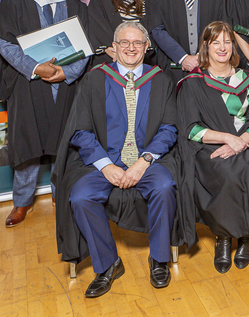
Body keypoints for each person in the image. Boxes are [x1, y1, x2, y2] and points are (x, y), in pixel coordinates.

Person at [52, 21, 180, 297]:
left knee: (164, 187)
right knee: (80, 196)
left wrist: (144, 161)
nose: (131, 48)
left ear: (147, 48)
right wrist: (106, 165)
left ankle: (159, 259)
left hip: (148, 160)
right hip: (104, 160)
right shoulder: (95, 79)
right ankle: (108, 264)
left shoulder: (160, 80)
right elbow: (81, 130)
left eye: (137, 43)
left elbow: (169, 129)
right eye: (124, 42)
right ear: (114, 48)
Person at [0, 0, 88, 227]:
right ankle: (22, 202)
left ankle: (62, 195)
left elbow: (86, 48)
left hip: (65, 86)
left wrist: (67, 72)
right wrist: (34, 67)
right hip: (28, 83)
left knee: (65, 144)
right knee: (27, 145)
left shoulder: (75, 6)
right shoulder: (13, 2)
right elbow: (3, 42)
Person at [177, 21, 249, 273]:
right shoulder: (193, 82)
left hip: (247, 146)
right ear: (205, 46)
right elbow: (190, 129)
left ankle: (245, 236)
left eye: (227, 42)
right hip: (211, 148)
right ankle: (224, 237)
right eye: (215, 42)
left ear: (233, 46)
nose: (222, 47)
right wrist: (228, 139)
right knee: (226, 170)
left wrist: (241, 142)